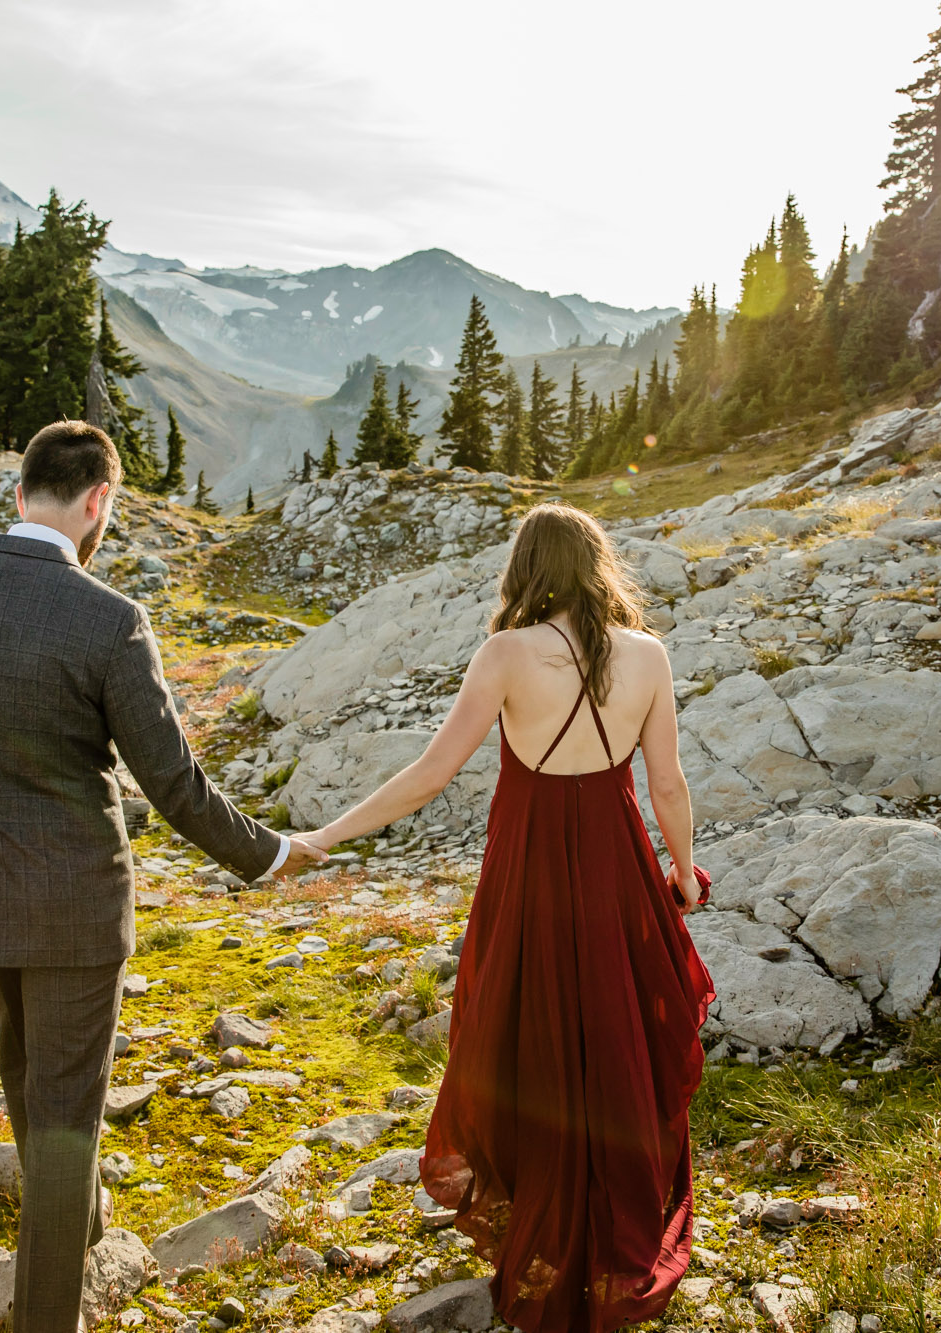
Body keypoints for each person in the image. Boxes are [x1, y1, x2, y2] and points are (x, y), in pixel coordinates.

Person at [0, 420, 325, 1333]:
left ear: (19, 492)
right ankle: (49, 1317)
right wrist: (268, 852)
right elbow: (173, 781)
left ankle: (79, 1228)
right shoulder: (108, 618)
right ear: (98, 502)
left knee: (27, 1063)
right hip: (74, 905)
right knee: (66, 1101)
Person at [292, 500, 713, 1333]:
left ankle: (539, 1202)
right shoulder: (647, 654)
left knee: (526, 1027)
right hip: (618, 867)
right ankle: (612, 1221)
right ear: (598, 568)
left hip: (528, 874)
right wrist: (680, 870)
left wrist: (329, 832)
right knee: (616, 1032)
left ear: (525, 570)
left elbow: (430, 773)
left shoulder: (507, 652)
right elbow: (665, 782)